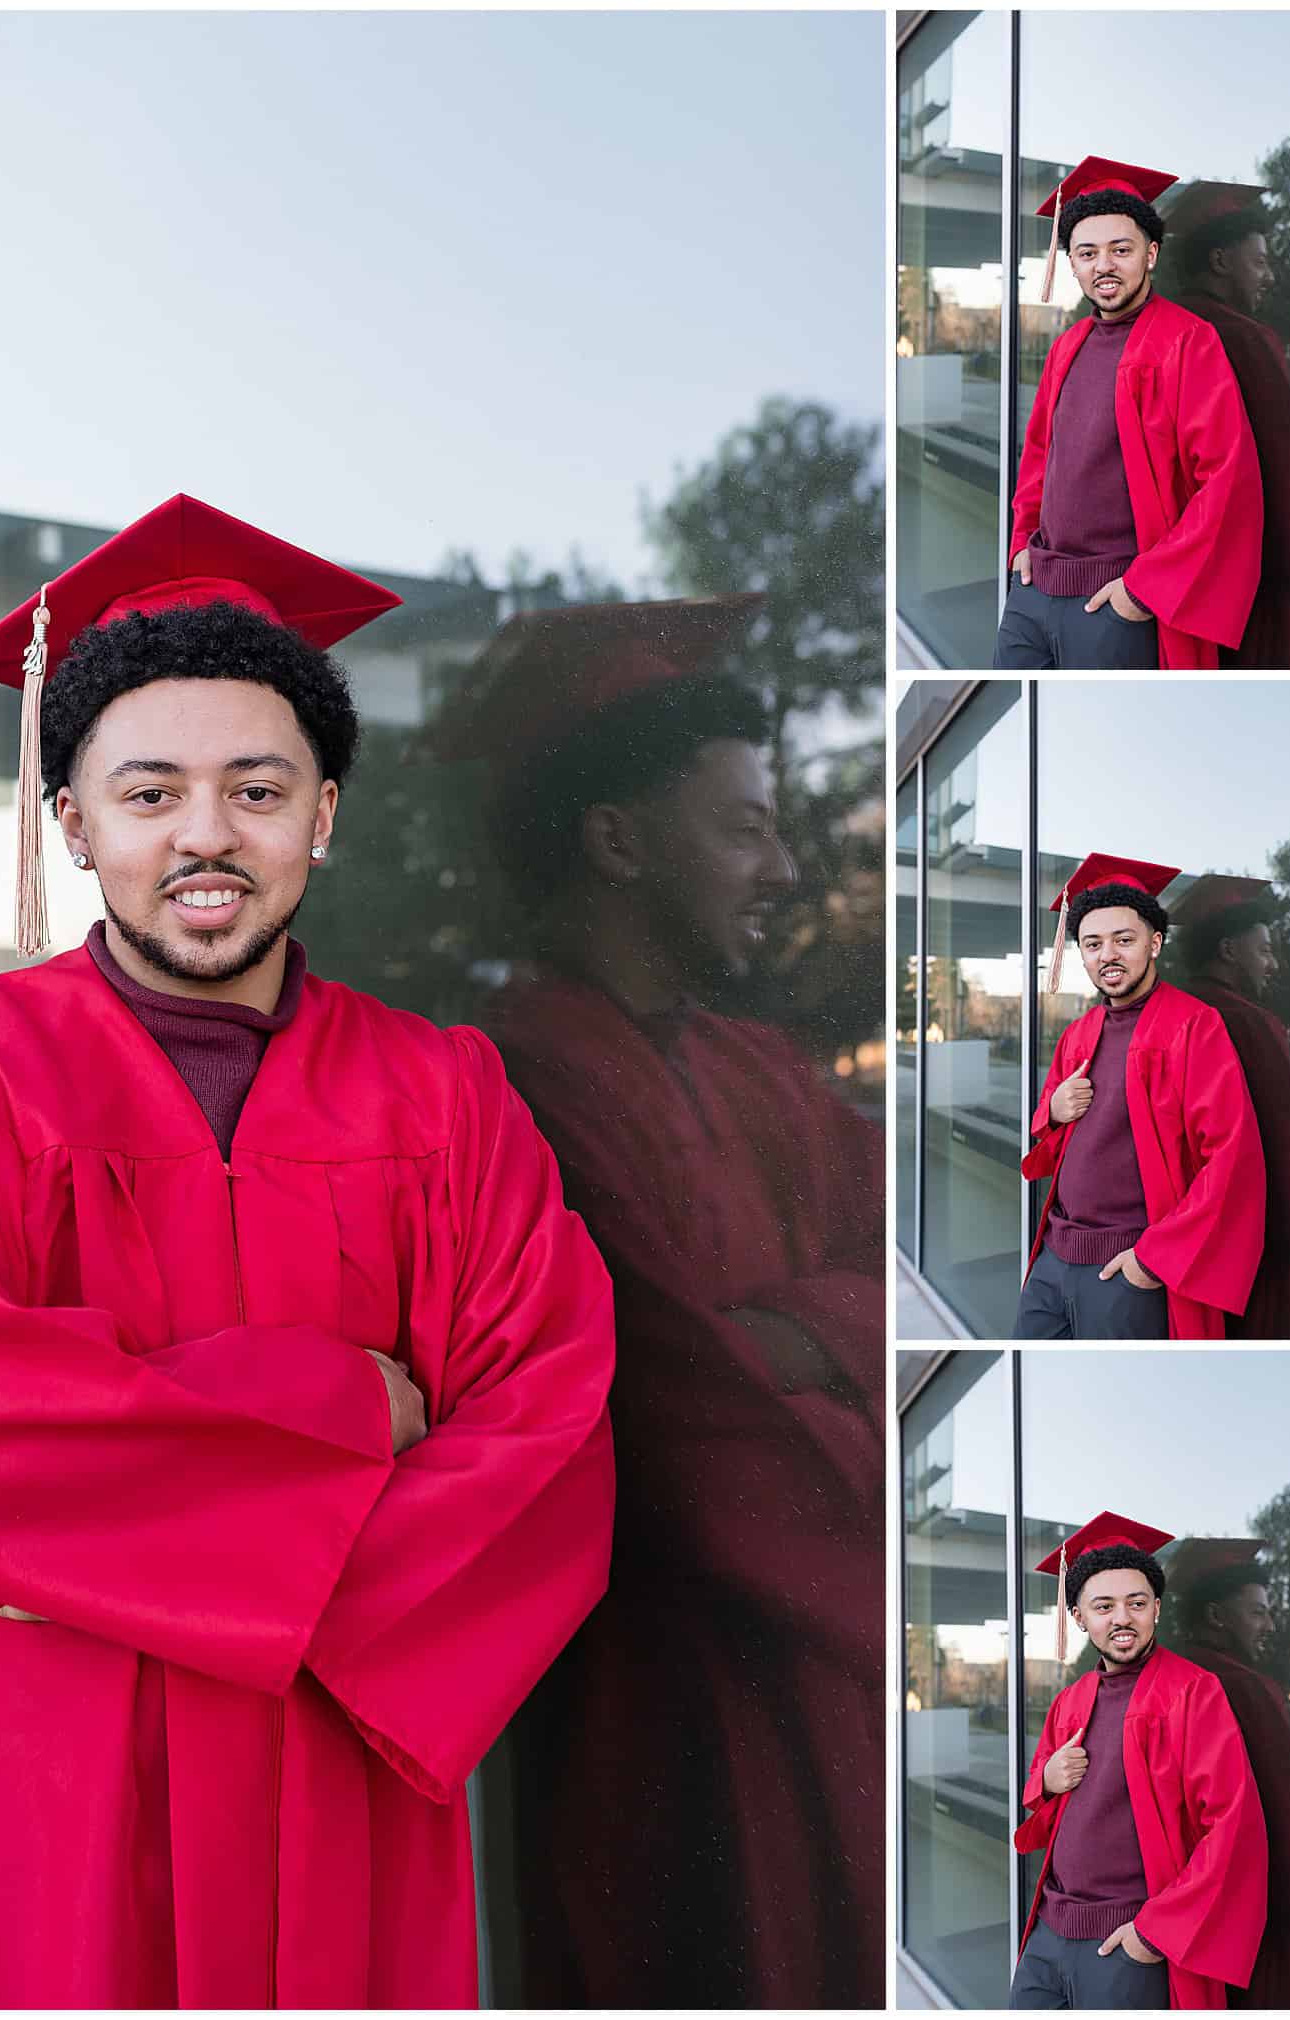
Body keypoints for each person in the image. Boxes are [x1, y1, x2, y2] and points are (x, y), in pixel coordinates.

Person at [0, 493, 618, 2009]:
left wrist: (121, 1518)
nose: (205, 836)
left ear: (323, 814)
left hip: (328, 1770)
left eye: (257, 786)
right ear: (75, 825)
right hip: (15, 1771)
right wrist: (350, 1411)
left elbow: (545, 1440)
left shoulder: (448, 1095)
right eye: (150, 792)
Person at [422, 600, 884, 2006]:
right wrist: (838, 1353)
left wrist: (794, 1341)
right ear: (618, 842)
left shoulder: (767, 1072)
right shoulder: (513, 1079)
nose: (786, 867)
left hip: (832, 1709)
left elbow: (922, 1293)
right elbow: (665, 1435)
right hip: (654, 1728)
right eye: (745, 827)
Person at [997, 156, 1263, 670]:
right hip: (1032, 594)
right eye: (1087, 252)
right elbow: (1038, 458)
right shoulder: (1067, 346)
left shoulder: (1187, 342)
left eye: (1121, 249)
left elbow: (1227, 481)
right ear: (1071, 262)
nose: (1104, 265)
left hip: (1112, 602)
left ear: (1151, 254)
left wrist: (1141, 591)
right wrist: (1019, 547)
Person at [1012, 1512, 1268, 2010]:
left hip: (1124, 1943)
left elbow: (1232, 1826)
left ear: (1156, 1608)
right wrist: (1045, 1777)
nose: (1122, 1617)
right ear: (1080, 1617)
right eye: (1103, 1605)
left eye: (1136, 1602)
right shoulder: (1073, 1698)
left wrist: (1151, 1935)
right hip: (1047, 1931)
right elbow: (1038, 1795)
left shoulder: (1193, 1692)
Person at [1017, 853, 1265, 1339]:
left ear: (1154, 943)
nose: (1107, 954)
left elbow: (1232, 1157)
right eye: (1092, 944)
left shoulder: (1193, 1026)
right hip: (1052, 1256)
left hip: (1125, 1268)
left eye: (1123, 940)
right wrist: (1053, 1109)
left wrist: (1151, 1260)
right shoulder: (1079, 1033)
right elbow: (1046, 1132)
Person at [1161, 181, 1290, 669]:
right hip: (1245, 584)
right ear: (1220, 262)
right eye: (1259, 262)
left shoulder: (1162, 331)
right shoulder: (1244, 340)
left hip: (1174, 573)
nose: (1270, 276)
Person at [1168, 1538, 1290, 2008]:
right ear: (1218, 1617)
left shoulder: (1170, 1676)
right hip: (1250, 1915)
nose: (1270, 1625)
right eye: (1258, 1612)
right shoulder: (1242, 1686)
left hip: (1182, 1905)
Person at [1171, 874, 1290, 1339]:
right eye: (1263, 950)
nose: (1273, 963)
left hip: (1181, 1234)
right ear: (1228, 950)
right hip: (1249, 1245)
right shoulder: (1246, 1021)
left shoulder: (1173, 1012)